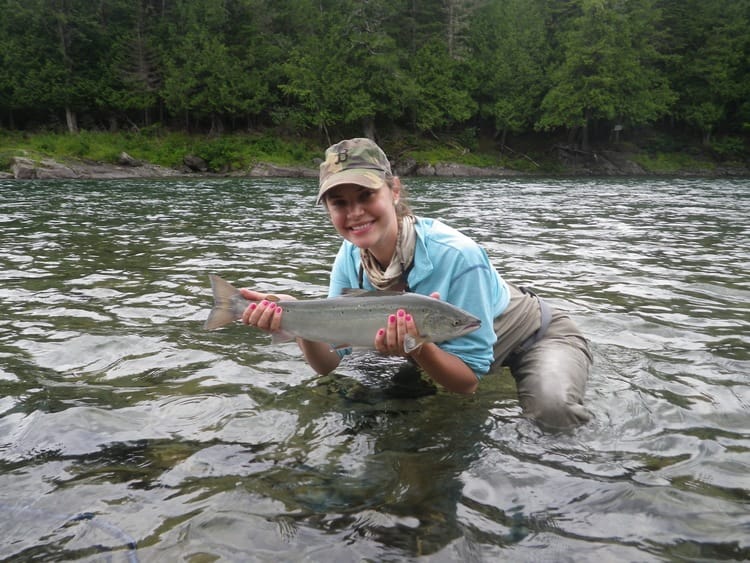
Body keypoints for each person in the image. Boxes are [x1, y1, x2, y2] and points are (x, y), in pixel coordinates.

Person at [240, 138, 593, 430]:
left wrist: (417, 348)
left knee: (553, 413)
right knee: (366, 403)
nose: (355, 212)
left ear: (394, 191)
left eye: (366, 195)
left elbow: (468, 383)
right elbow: (333, 362)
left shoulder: (457, 255)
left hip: (533, 338)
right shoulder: (349, 257)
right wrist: (296, 321)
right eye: (340, 203)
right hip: (445, 344)